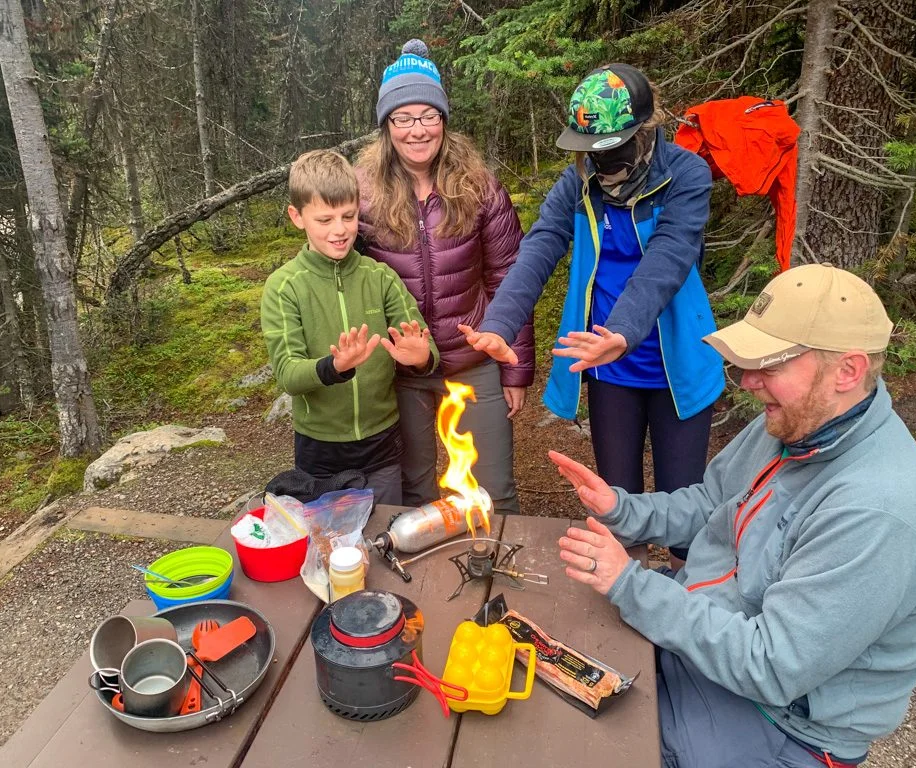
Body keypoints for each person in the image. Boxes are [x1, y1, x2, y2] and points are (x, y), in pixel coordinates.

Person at [550, 263, 916, 767]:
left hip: (780, 723)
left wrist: (631, 585)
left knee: (589, 750)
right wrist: (623, 508)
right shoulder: (793, 424)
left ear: (848, 371)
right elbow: (709, 504)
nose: (747, 380)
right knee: (554, 653)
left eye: (769, 364)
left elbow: (772, 665)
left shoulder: (880, 511)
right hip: (709, 637)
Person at [461, 63, 723, 562]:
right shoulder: (579, 184)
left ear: (644, 131)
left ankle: (690, 606)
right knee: (617, 505)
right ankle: (627, 605)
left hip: (680, 367)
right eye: (590, 153)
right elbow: (539, 247)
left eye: (609, 151)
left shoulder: (685, 175)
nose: (599, 165)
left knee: (685, 511)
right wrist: (499, 323)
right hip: (607, 367)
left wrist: (624, 330)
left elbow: (669, 256)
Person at [355, 39, 534, 516]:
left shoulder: (479, 185)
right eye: (403, 118)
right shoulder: (361, 193)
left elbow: (508, 277)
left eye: (427, 115)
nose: (417, 130)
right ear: (386, 125)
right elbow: (338, 271)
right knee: (414, 493)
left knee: (494, 491)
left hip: (473, 361)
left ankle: (501, 584)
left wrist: (515, 368)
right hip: (402, 371)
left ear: (443, 120)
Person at [260, 149, 439, 506]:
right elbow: (288, 375)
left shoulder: (380, 276)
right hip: (320, 450)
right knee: (330, 544)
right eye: (324, 220)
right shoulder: (284, 286)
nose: (340, 230)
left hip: (382, 443)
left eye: (349, 216)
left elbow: (424, 346)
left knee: (384, 534)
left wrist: (420, 358)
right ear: (297, 217)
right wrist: (334, 368)